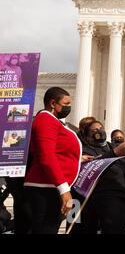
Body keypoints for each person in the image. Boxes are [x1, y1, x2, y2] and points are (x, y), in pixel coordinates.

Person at [23, 87, 81, 234]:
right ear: (53, 103)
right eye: (66, 103)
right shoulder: (45, 119)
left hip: (50, 186)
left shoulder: (53, 121)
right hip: (45, 187)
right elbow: (47, 157)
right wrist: (64, 190)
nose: (69, 107)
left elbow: (57, 151)